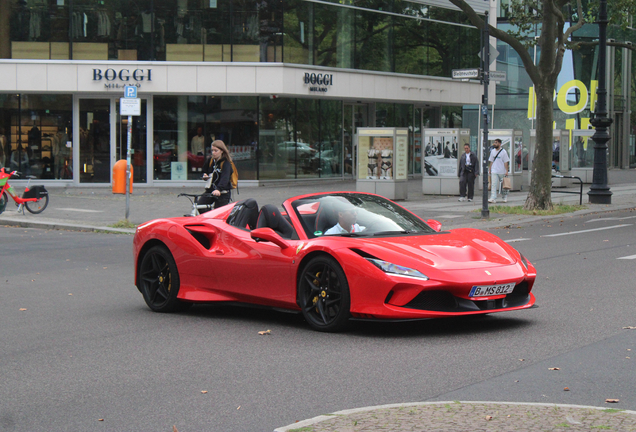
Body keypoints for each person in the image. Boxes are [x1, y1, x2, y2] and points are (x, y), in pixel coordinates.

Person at [199, 140, 234, 210]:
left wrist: (218, 189)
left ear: (222, 151)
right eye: (212, 150)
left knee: (218, 213)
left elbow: (225, 178)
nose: (213, 153)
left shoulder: (226, 163)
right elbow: (204, 170)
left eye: (216, 151)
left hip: (222, 193)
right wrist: (205, 175)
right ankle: (208, 219)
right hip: (211, 190)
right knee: (200, 206)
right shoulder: (211, 160)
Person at [488, 138, 510, 203]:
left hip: (501, 171)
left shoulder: (503, 152)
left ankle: (504, 196)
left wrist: (506, 171)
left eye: (496, 142)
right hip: (494, 170)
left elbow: (506, 162)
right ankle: (493, 197)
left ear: (500, 144)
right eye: (494, 142)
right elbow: (491, 161)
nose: (495, 144)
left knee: (503, 185)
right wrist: (490, 169)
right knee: (493, 184)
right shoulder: (492, 151)